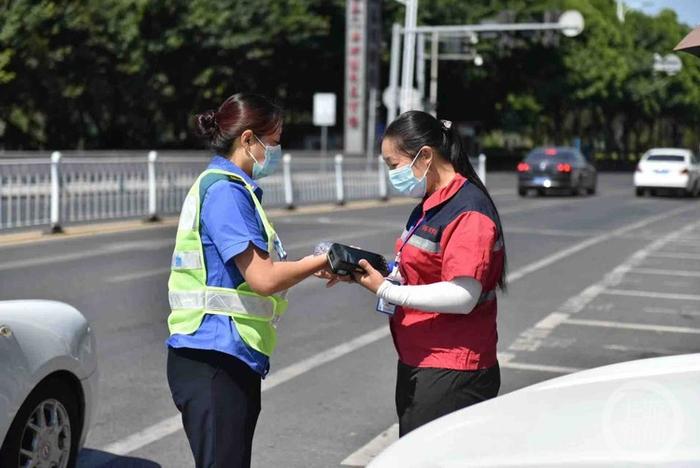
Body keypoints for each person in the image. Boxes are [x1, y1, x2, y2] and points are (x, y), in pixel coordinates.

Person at [165, 93, 330, 468]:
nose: (276, 151)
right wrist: (320, 260)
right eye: (273, 143)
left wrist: (309, 265)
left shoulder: (231, 188)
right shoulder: (225, 192)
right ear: (248, 140)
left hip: (222, 355)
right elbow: (263, 278)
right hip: (214, 357)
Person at [350, 110, 507, 436]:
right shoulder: (431, 203)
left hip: (451, 369)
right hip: (421, 360)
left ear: (424, 156)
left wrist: (386, 291)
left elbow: (463, 295)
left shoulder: (468, 211)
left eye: (394, 165)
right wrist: (362, 269)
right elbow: (417, 269)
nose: (392, 174)